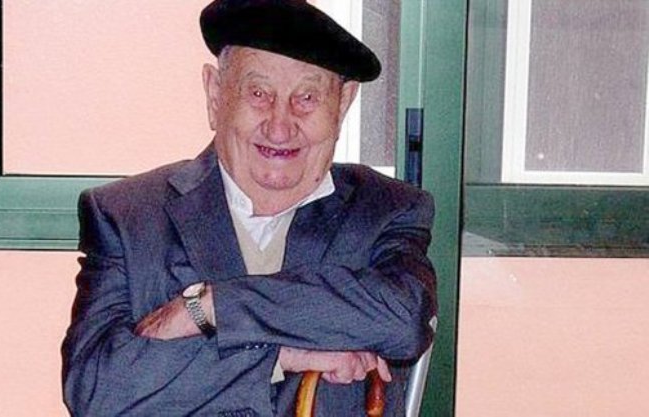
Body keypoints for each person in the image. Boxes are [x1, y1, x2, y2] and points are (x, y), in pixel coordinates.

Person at [61, 1, 437, 416]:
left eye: (307, 98)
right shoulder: (128, 216)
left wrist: (211, 307)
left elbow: (403, 321)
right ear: (215, 94)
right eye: (258, 94)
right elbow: (97, 390)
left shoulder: (385, 210)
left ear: (343, 104)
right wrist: (281, 356)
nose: (280, 126)